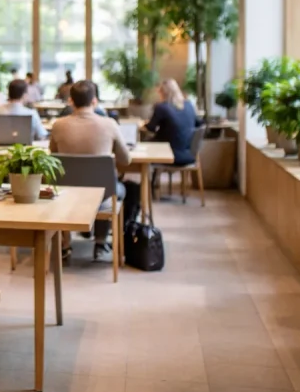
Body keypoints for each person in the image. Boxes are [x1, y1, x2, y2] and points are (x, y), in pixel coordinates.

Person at [50, 80, 139, 260]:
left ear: (71, 101)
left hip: (68, 193)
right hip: (102, 195)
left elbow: (54, 155)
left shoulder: (58, 125)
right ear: (95, 101)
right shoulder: (109, 124)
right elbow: (126, 160)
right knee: (123, 189)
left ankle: (65, 244)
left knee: (87, 187)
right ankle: (101, 242)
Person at [145, 79, 200, 165]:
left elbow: (151, 128)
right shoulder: (189, 105)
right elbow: (198, 123)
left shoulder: (161, 107)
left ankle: (146, 176)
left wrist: (142, 125)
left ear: (163, 92)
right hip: (188, 154)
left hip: (169, 154)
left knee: (145, 144)